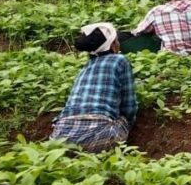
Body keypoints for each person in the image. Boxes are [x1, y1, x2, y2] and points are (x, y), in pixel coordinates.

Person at [50, 23, 137, 153]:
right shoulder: (120, 60)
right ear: (113, 44)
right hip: (100, 137)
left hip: (60, 139)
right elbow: (129, 106)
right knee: (123, 119)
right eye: (117, 40)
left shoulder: (85, 68)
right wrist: (128, 122)